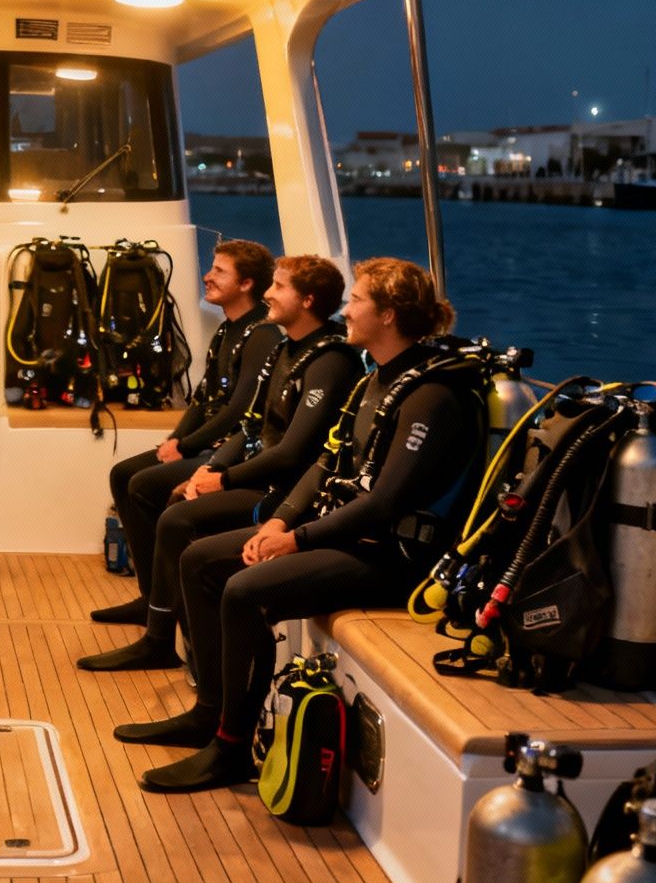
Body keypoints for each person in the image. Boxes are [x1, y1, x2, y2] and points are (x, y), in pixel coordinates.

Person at [119, 257, 485, 793]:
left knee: (243, 590)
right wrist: (282, 521)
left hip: (397, 559)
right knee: (200, 559)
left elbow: (384, 504)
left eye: (357, 300)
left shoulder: (432, 396)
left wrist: (296, 540)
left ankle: (231, 748)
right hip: (343, 533)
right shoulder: (374, 382)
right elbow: (325, 463)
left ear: (387, 314)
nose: (347, 308)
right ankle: (211, 711)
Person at [77, 254, 360, 671]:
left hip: (286, 491)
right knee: (172, 501)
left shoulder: (330, 362)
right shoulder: (285, 349)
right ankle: (163, 629)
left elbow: (292, 453)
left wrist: (223, 477)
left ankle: (166, 642)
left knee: (176, 520)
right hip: (260, 474)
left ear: (308, 300)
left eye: (278, 287)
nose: (268, 294)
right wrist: (208, 470)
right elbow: (248, 425)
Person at [89, 240, 280, 636]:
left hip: (232, 454)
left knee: (143, 484)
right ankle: (150, 595)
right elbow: (203, 398)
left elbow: (241, 408)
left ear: (246, 283)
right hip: (205, 444)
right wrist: (175, 440)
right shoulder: (227, 329)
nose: (207, 277)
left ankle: (163, 603)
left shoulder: (261, 334)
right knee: (123, 474)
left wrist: (189, 447)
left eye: (219, 271)